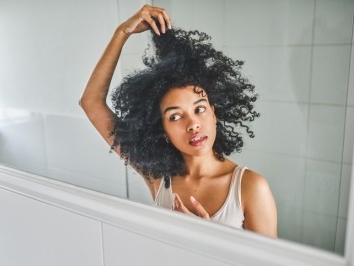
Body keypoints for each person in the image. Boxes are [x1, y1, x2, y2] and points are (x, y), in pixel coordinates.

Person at [80, 4, 277, 238]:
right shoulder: (158, 177)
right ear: (162, 128)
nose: (192, 124)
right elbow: (91, 103)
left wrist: (211, 239)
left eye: (200, 109)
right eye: (175, 116)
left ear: (214, 113)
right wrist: (122, 32)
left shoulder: (250, 187)